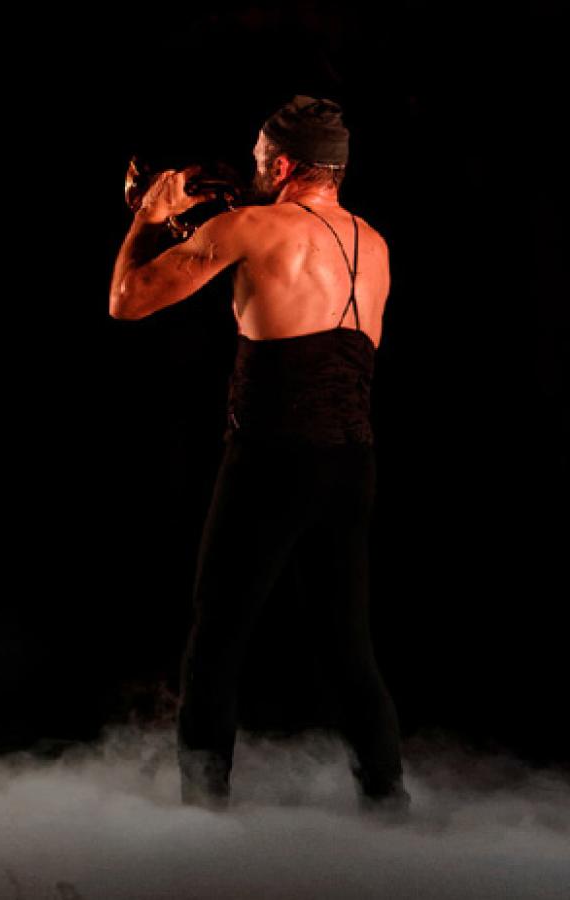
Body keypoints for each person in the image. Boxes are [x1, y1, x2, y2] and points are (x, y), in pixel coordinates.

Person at [109, 97, 410, 816]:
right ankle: (388, 806)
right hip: (353, 463)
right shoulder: (374, 241)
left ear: (282, 165)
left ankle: (203, 816)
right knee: (349, 648)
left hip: (272, 459)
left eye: (257, 160)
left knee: (216, 641)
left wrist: (147, 219)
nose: (250, 170)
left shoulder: (250, 226)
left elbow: (127, 300)